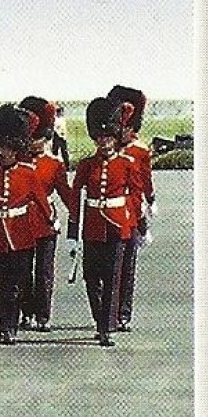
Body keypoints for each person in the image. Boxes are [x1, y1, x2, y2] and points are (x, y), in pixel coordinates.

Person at [65, 96, 145, 346]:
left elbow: (135, 195)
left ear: (115, 137)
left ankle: (106, 327)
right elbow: (75, 195)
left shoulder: (127, 164)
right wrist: (72, 232)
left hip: (117, 225)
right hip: (92, 227)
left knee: (112, 277)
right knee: (91, 277)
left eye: (108, 137)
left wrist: (135, 222)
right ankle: (101, 318)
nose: (104, 142)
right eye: (100, 138)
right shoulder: (87, 165)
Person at [0, 106, 55, 344]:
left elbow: (40, 201)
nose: (5, 153)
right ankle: (4, 321)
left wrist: (51, 220)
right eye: (1, 148)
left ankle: (9, 325)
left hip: (21, 234)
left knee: (17, 284)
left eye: (10, 148)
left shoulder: (27, 173)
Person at [108, 84, 154, 332]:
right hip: (111, 216)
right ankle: (109, 313)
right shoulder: (110, 150)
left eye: (127, 127)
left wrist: (144, 221)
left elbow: (143, 185)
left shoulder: (139, 150)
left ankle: (123, 313)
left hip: (132, 214)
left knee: (127, 268)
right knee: (109, 270)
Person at [18, 96, 65, 331]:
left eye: (38, 139)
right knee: (24, 272)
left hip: (46, 222)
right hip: (22, 221)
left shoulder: (54, 164)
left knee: (44, 273)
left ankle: (43, 316)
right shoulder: (18, 162)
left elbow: (66, 193)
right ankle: (26, 313)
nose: (34, 143)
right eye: (32, 138)